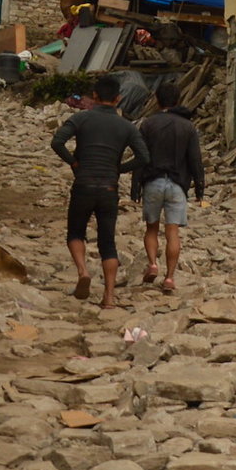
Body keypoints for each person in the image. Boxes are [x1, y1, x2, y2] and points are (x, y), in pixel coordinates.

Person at [50, 73, 151, 309]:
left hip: (83, 184)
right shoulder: (126, 126)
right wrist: (119, 168)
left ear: (94, 96)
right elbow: (144, 157)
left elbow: (57, 142)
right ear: (118, 98)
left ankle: (83, 271)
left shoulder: (81, 118)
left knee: (75, 232)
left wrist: (74, 163)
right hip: (109, 188)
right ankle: (109, 297)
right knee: (108, 242)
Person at [135, 82, 205, 293]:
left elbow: (141, 157)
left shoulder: (148, 124)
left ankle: (153, 264)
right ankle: (169, 278)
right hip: (177, 184)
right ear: (178, 100)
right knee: (172, 231)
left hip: (153, 182)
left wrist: (135, 186)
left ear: (157, 99)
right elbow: (195, 160)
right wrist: (199, 187)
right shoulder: (188, 126)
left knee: (152, 228)